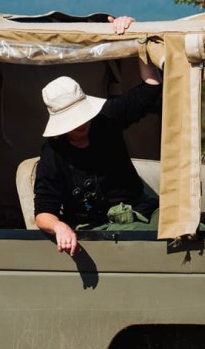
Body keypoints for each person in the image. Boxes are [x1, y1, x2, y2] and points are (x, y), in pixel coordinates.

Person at [33, 16, 161, 256]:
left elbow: (151, 90)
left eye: (82, 116)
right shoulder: (53, 154)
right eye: (72, 121)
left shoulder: (106, 119)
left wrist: (137, 36)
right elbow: (43, 212)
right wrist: (59, 227)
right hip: (92, 230)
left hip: (141, 215)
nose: (80, 125)